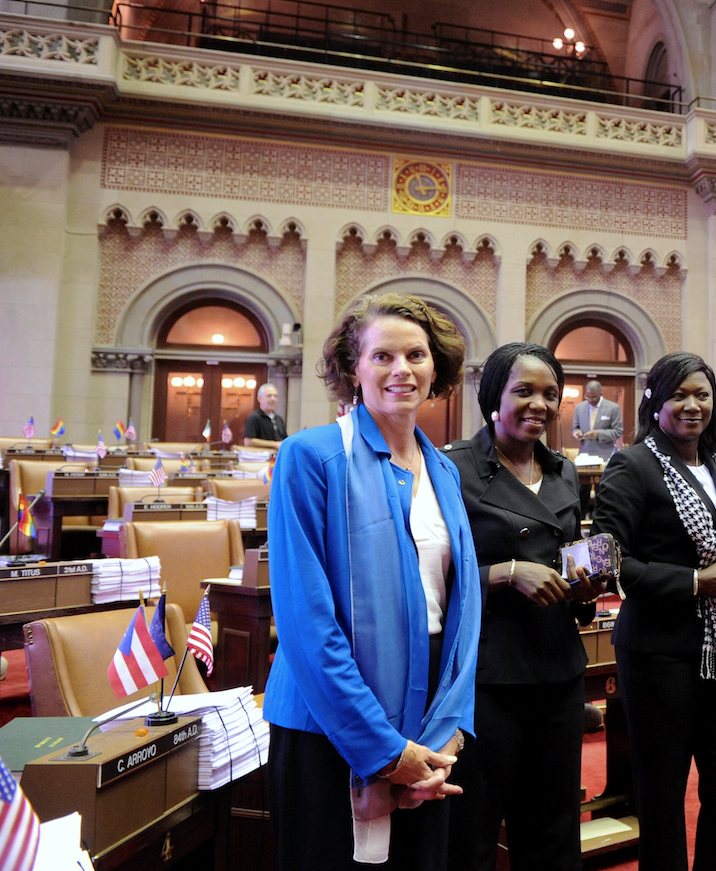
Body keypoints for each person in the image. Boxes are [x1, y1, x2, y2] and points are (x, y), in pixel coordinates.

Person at [264, 293, 481, 871]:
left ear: (437, 369)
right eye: (382, 356)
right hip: (329, 722)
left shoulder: (444, 470)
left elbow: (464, 614)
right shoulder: (308, 456)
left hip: (429, 721)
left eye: (416, 355)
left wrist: (445, 739)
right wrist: (385, 754)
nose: (401, 370)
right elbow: (307, 623)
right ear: (351, 369)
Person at [589, 352, 716, 871]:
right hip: (657, 654)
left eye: (702, 395)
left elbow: (714, 545)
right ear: (655, 402)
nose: (692, 406)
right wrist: (692, 582)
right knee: (662, 793)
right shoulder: (632, 464)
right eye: (679, 395)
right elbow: (605, 559)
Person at [444, 343, 607, 871]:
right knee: (473, 831)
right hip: (487, 677)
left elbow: (563, 553)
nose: (539, 403)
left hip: (557, 670)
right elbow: (427, 576)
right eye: (524, 391)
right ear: (494, 396)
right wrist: (507, 574)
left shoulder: (561, 470)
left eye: (550, 394)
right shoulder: (452, 468)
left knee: (553, 832)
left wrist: (584, 584)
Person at [573, 379, 624, 458]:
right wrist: (576, 432)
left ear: (600, 394)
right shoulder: (579, 408)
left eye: (593, 397)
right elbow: (575, 428)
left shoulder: (613, 408)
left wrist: (599, 434)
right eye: (587, 397)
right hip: (584, 455)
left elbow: (618, 432)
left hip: (605, 455)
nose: (590, 400)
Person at [244, 382, 287, 446]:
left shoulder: (279, 419)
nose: (273, 399)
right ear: (259, 398)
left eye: (275, 396)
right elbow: (248, 442)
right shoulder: (253, 418)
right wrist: (274, 445)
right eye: (269, 396)